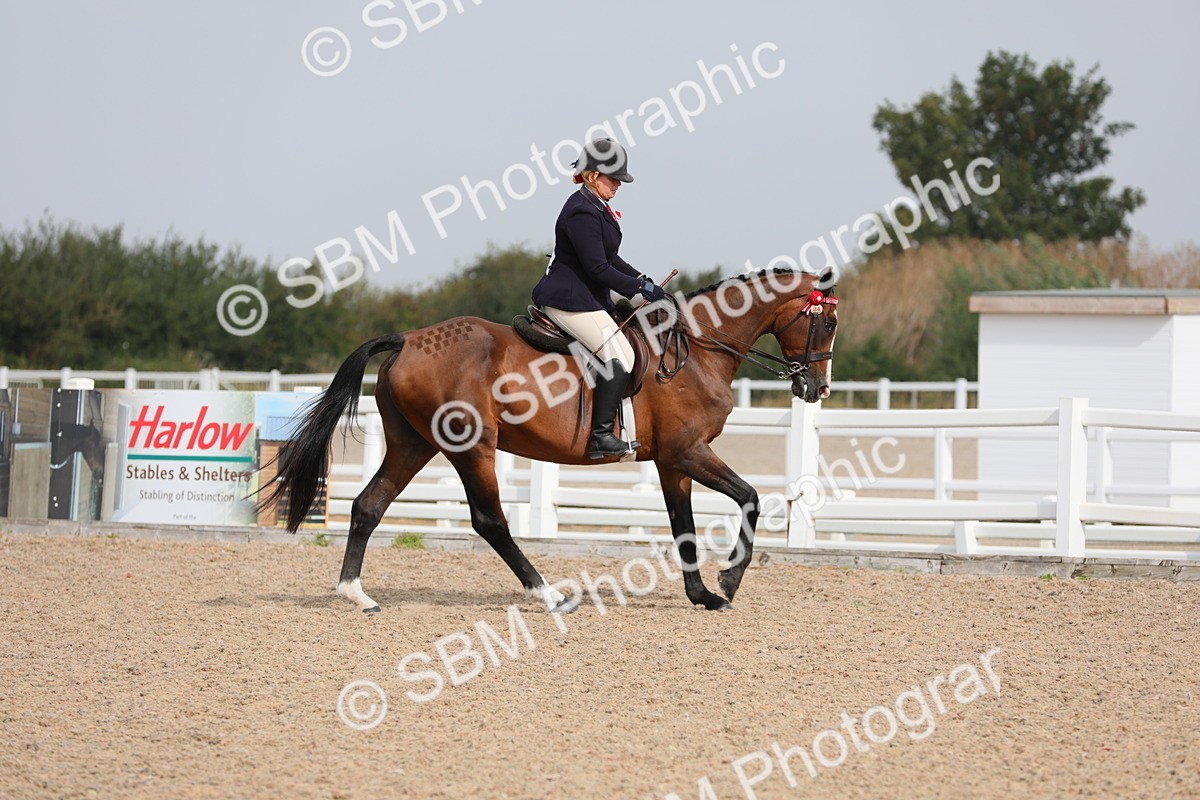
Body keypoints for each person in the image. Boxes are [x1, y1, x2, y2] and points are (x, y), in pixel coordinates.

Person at [532, 138, 666, 459]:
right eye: (613, 178)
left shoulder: (597, 207)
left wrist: (640, 280)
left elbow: (611, 258)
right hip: (569, 300)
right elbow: (597, 268)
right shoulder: (581, 211)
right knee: (621, 356)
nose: (618, 183)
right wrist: (637, 289)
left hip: (587, 297)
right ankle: (601, 436)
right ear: (592, 176)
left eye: (620, 178)